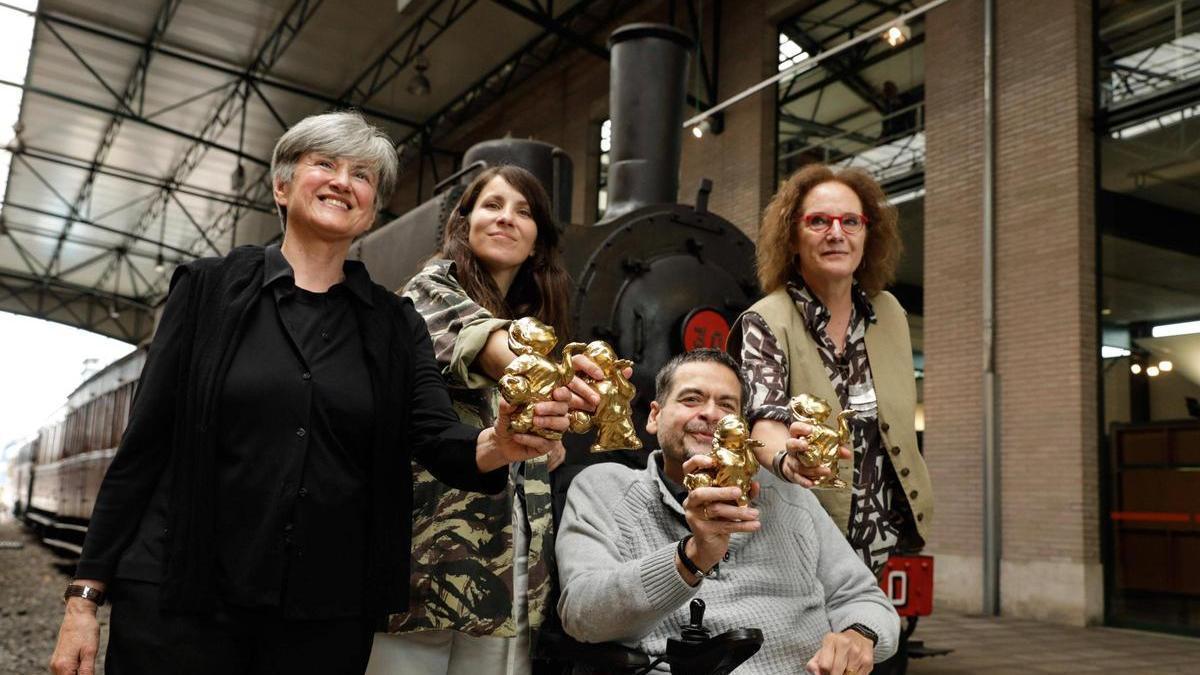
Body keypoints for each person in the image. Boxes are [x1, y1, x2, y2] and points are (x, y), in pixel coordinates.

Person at [48, 111, 570, 675]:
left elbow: (437, 438)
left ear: (371, 207)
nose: (344, 181)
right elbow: (141, 450)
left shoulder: (395, 324)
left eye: (363, 175)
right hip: (183, 605)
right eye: (324, 164)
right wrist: (84, 598)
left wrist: (501, 441)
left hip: (321, 620)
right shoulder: (206, 291)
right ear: (282, 185)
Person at [368, 165, 605, 675]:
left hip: (510, 582)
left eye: (523, 212)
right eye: (492, 205)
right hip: (428, 575)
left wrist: (551, 437)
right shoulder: (429, 292)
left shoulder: (534, 320)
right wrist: (561, 386)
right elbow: (492, 352)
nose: (506, 219)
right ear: (465, 221)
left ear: (538, 242)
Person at [555, 349, 899, 674]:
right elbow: (582, 616)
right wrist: (692, 556)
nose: (710, 413)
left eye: (727, 405)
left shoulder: (786, 494)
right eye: (691, 399)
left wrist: (859, 635)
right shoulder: (604, 488)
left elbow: (862, 596)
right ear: (655, 417)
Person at [728, 163, 932, 577]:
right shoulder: (765, 320)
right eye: (818, 221)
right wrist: (788, 459)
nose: (836, 233)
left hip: (880, 542)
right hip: (799, 542)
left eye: (850, 221)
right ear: (792, 237)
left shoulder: (889, 313)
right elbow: (763, 418)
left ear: (867, 234)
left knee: (870, 641)